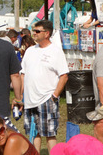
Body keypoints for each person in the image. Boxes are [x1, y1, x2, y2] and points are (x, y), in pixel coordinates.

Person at [18, 20, 69, 152]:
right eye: (34, 30)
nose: (33, 33)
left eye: (37, 31)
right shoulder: (30, 51)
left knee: (50, 133)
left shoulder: (56, 51)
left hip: (47, 98)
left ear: (46, 34)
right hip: (29, 100)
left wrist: (54, 95)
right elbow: (22, 74)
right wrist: (20, 96)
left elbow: (64, 75)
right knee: (33, 133)